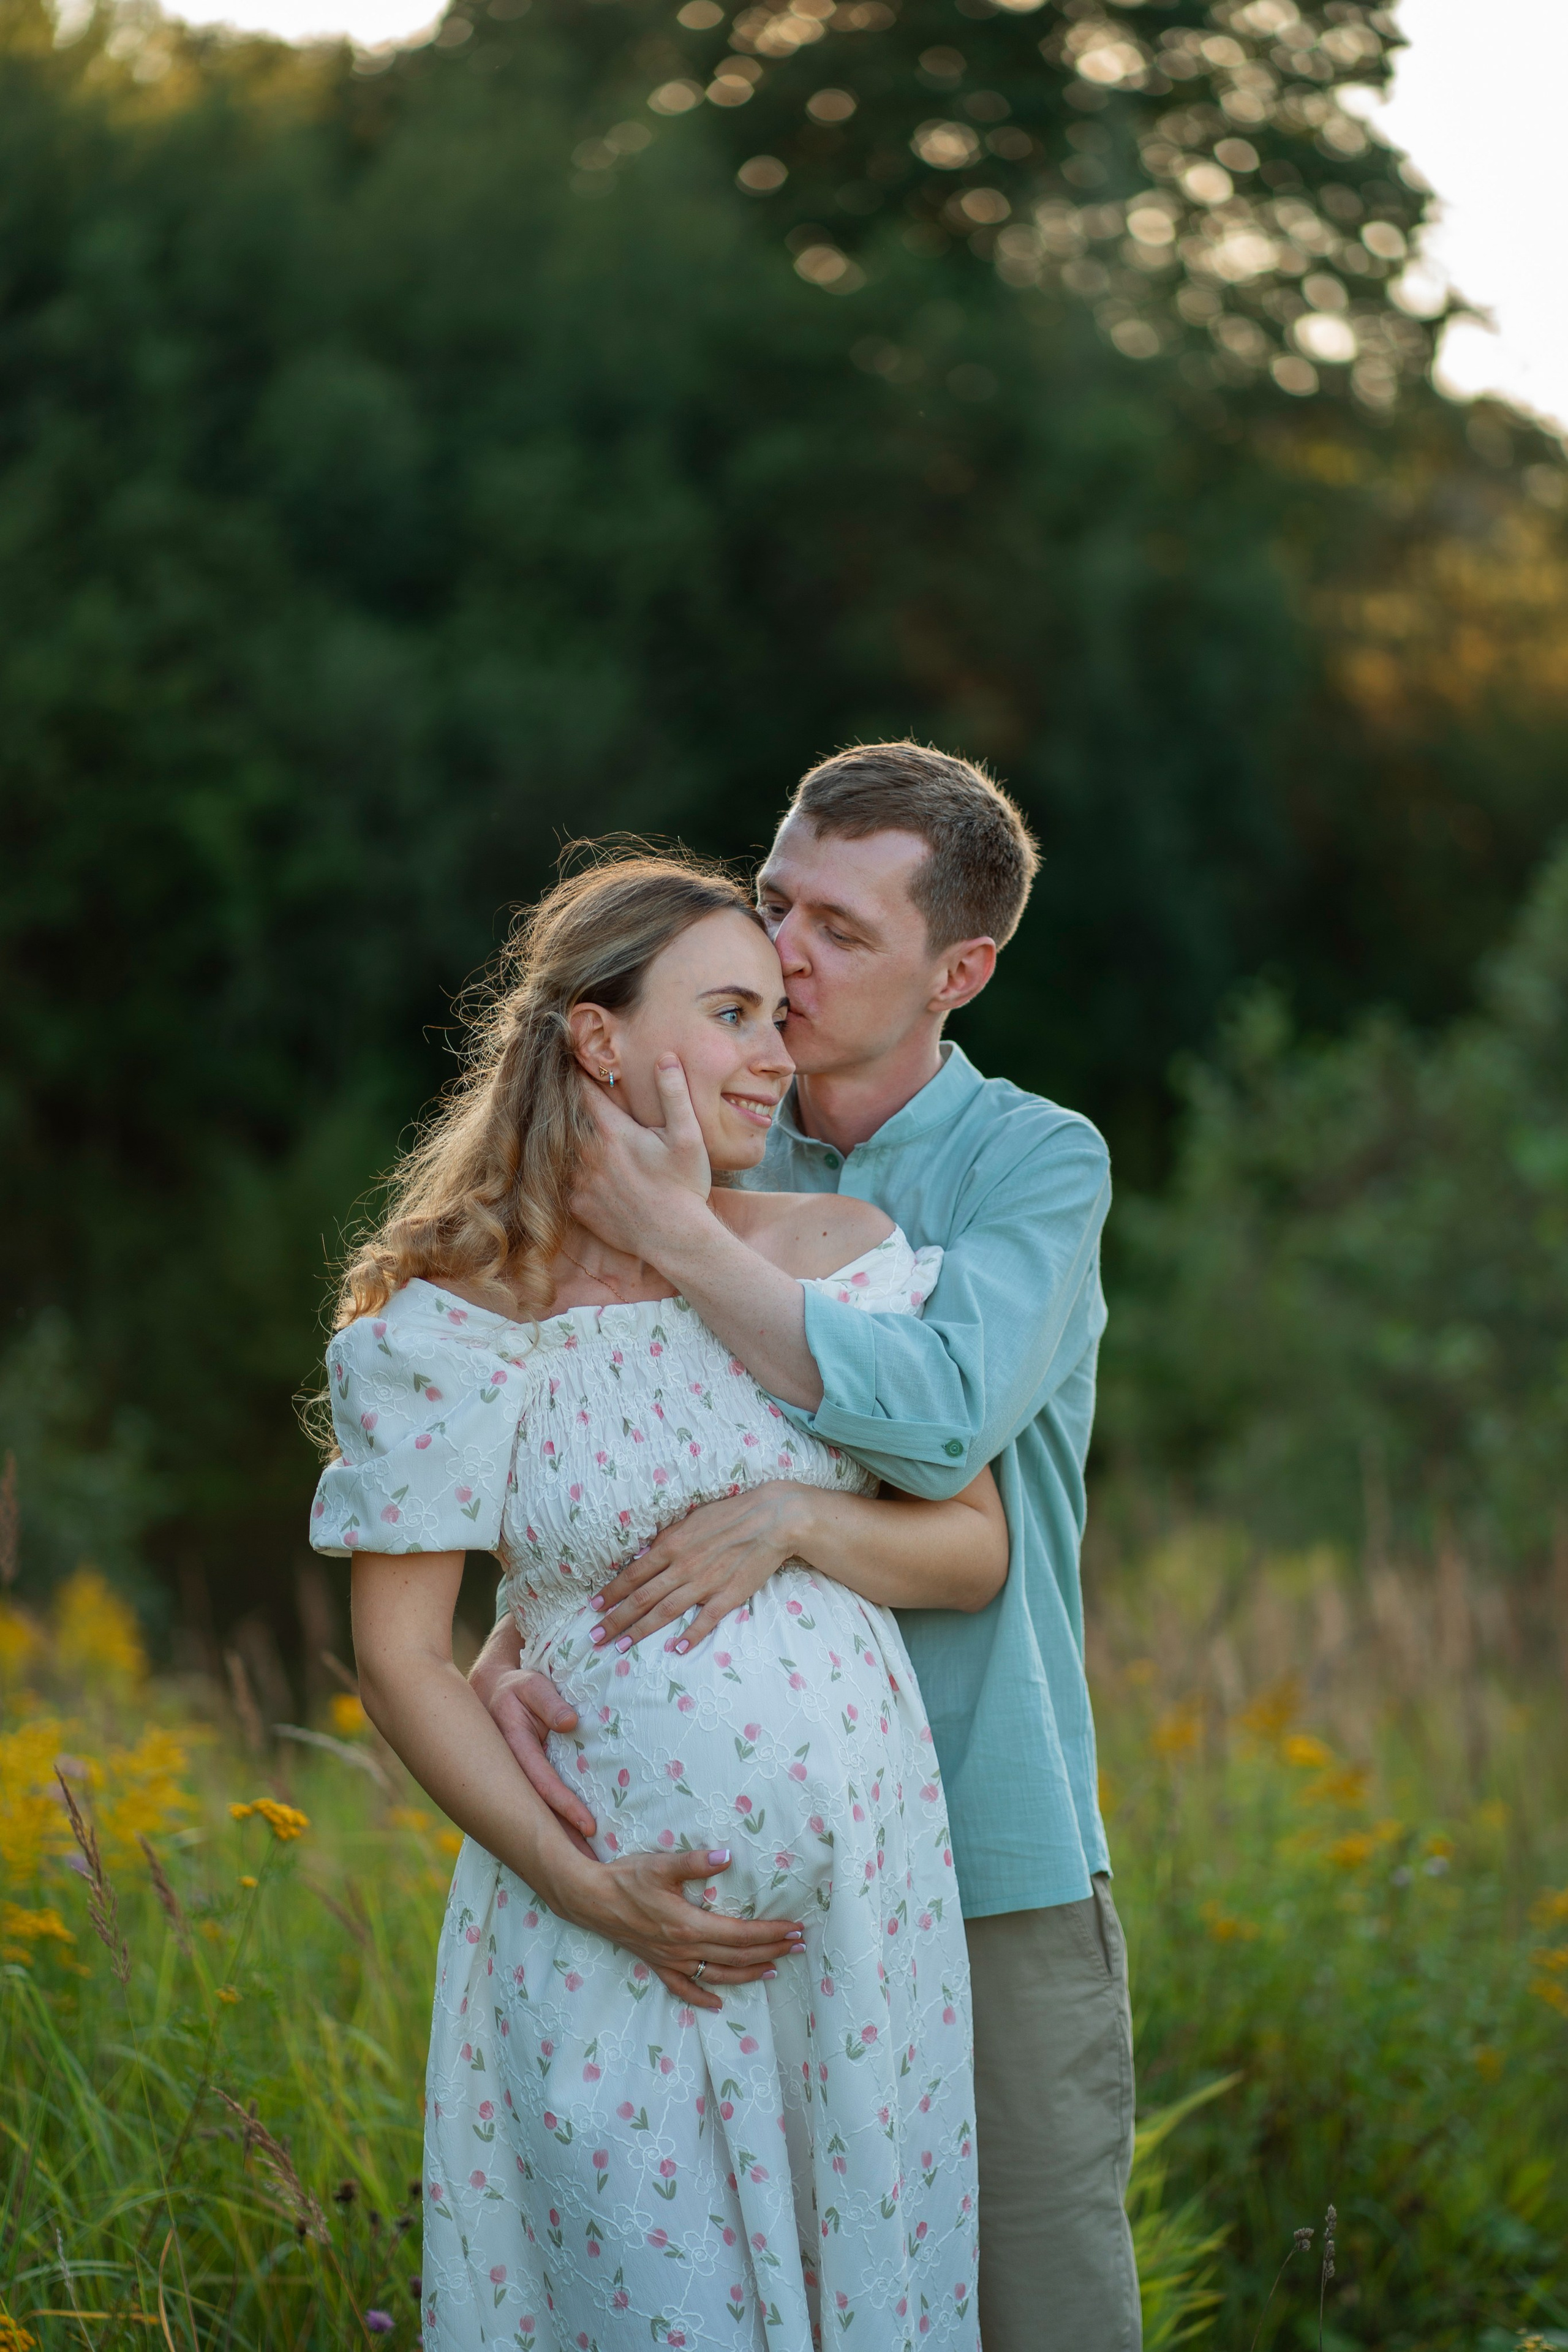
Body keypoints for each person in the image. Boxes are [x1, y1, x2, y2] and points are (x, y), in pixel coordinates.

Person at [473, 745, 1139, 2351]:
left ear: (957, 973)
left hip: (984, 1846)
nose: (781, 953)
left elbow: (940, 1415)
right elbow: (587, 1438)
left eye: (841, 930)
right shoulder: (690, 1128)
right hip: (703, 1867)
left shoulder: (1030, 1165)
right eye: (774, 903)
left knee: (1031, 2305)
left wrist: (791, 1512)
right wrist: (520, 1631)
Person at [310, 853, 1008, 2351]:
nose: (776, 1050)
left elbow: (969, 1544)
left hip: (858, 1953)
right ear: (598, 1037)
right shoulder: (458, 1315)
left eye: (777, 1015)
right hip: (607, 1944)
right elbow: (397, 1657)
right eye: (733, 1012)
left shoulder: (837, 1260)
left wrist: (795, 1522)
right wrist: (589, 1893)